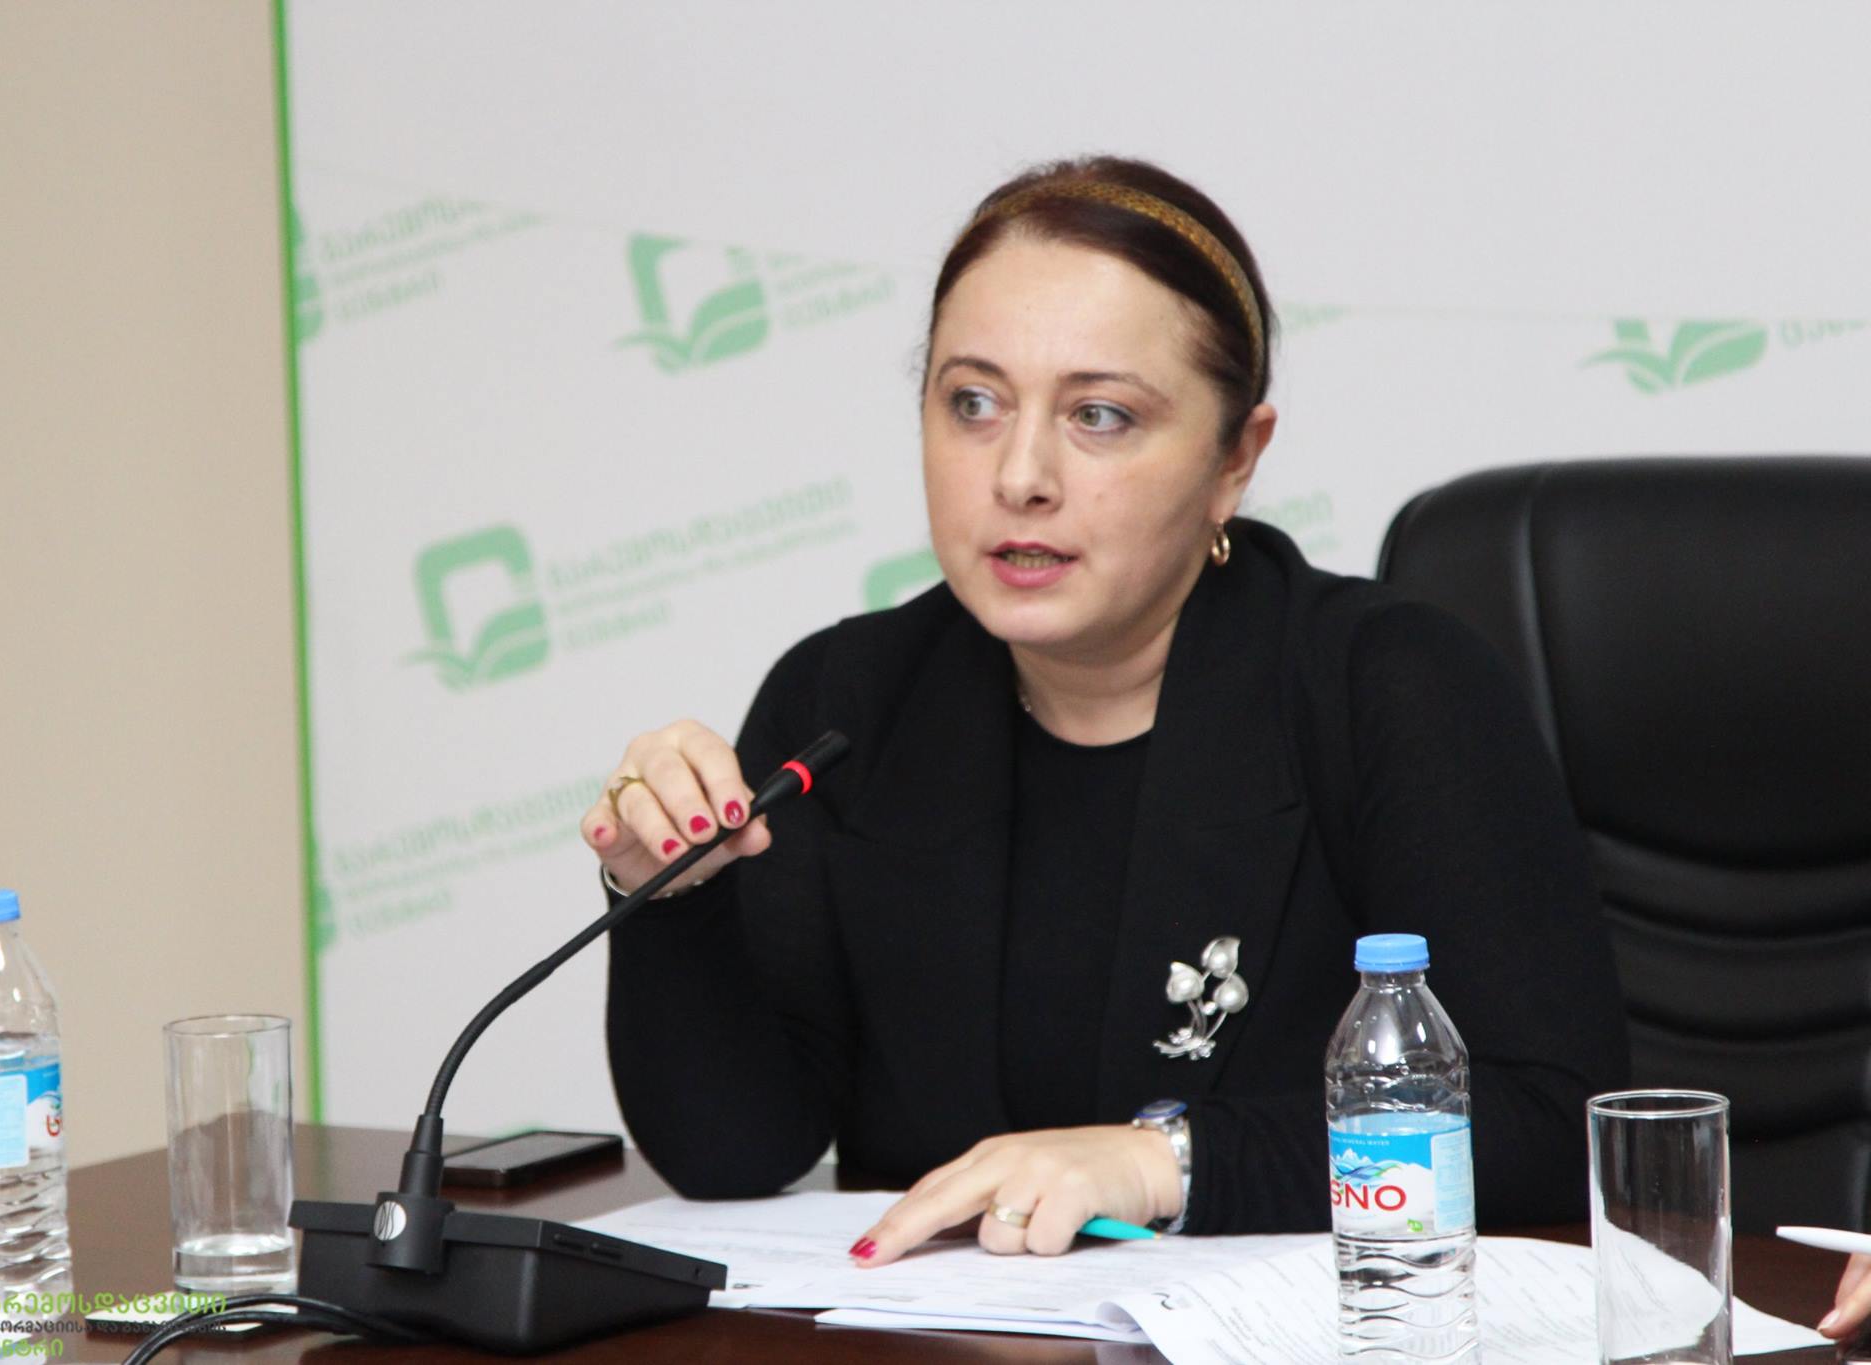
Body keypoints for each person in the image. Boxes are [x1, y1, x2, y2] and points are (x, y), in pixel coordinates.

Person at [582, 155, 1630, 1266]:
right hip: (939, 1339)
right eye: (972, 403)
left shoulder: (1387, 687)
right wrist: (671, 896)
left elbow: (1547, 1120)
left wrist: (1164, 1163)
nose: (1020, 475)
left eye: (1098, 415)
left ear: (1235, 459)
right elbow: (734, 1152)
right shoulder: (844, 701)